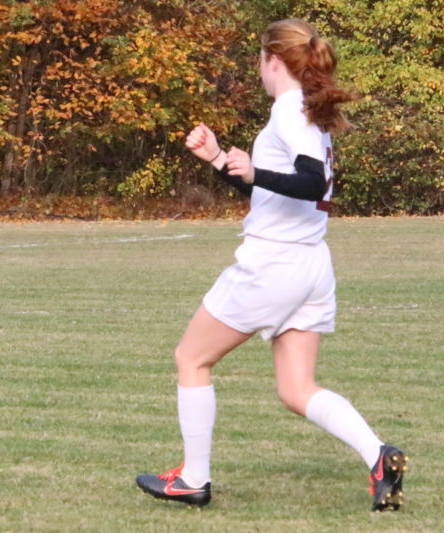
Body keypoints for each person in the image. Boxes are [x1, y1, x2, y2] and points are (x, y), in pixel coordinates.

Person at [134, 19, 408, 512]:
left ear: (273, 61)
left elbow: (307, 180)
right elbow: (281, 191)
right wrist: (221, 160)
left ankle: (193, 479)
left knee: (190, 359)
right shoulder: (307, 113)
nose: (259, 69)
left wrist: (255, 169)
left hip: (273, 265)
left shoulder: (288, 109)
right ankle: (379, 455)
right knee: (296, 389)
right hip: (311, 267)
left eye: (259, 61)